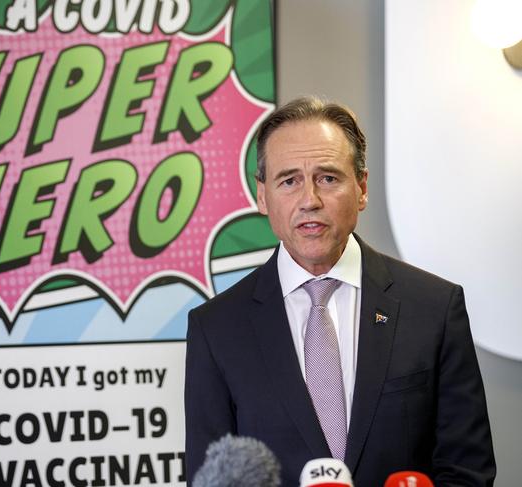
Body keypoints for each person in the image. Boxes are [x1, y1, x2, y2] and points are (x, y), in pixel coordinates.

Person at [184, 96, 496, 486]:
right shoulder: (216, 328)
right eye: (289, 180)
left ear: (361, 188)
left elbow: (467, 472)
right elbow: (210, 480)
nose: (309, 200)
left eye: (328, 178)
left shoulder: (434, 309)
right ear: (262, 196)